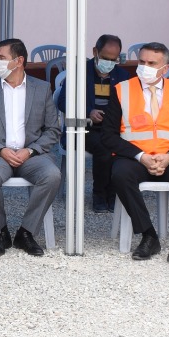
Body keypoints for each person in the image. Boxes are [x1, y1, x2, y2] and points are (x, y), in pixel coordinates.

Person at [101, 42, 169, 263]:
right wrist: (141, 156)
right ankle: (149, 235)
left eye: (151, 63)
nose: (144, 67)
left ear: (165, 68)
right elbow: (108, 136)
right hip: (135, 158)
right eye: (141, 61)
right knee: (120, 174)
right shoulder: (121, 90)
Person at [0, 38, 61, 256]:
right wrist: (0, 150)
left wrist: (31, 150)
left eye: (1, 58)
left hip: (32, 155)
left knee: (52, 175)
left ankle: (26, 232)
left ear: (19, 61)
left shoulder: (42, 88)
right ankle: (1, 232)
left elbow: (53, 130)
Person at [61, 34, 132, 212]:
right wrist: (88, 112)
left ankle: (113, 194)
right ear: (95, 52)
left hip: (112, 128)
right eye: (106, 58)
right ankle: (100, 195)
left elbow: (130, 104)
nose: (109, 63)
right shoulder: (78, 72)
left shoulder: (122, 75)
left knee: (120, 148)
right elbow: (63, 102)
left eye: (114, 59)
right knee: (105, 148)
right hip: (82, 128)